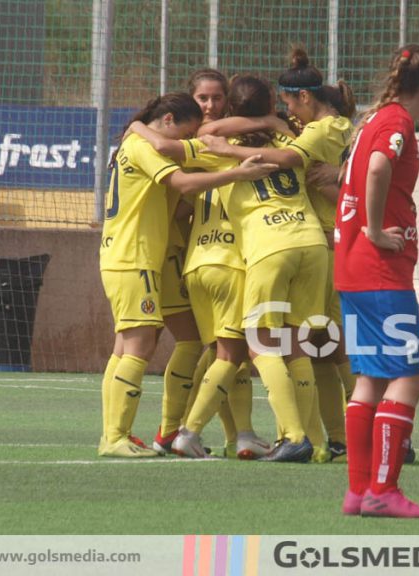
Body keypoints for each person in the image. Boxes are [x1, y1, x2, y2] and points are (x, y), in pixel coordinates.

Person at [199, 48, 356, 463]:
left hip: (276, 247)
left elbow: (195, 147)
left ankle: (296, 436)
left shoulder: (243, 145)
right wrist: (272, 121)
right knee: (304, 346)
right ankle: (322, 440)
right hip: (313, 242)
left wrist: (224, 145)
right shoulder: (293, 134)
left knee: (259, 346)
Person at [97, 92, 275, 458]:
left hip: (147, 255)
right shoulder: (143, 146)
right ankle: (115, 437)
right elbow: (182, 184)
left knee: (162, 342)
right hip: (135, 256)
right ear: (167, 121)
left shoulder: (140, 141)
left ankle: (135, 433)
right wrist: (239, 173)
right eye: (186, 132)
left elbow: (176, 199)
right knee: (138, 346)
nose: (185, 142)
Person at [334, 45, 419, 518]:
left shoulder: (372, 119)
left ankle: (359, 491)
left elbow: (351, 175)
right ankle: (383, 488)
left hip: (352, 268)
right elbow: (378, 168)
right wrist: (376, 231)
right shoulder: (398, 122)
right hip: (380, 271)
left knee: (371, 379)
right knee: (410, 376)